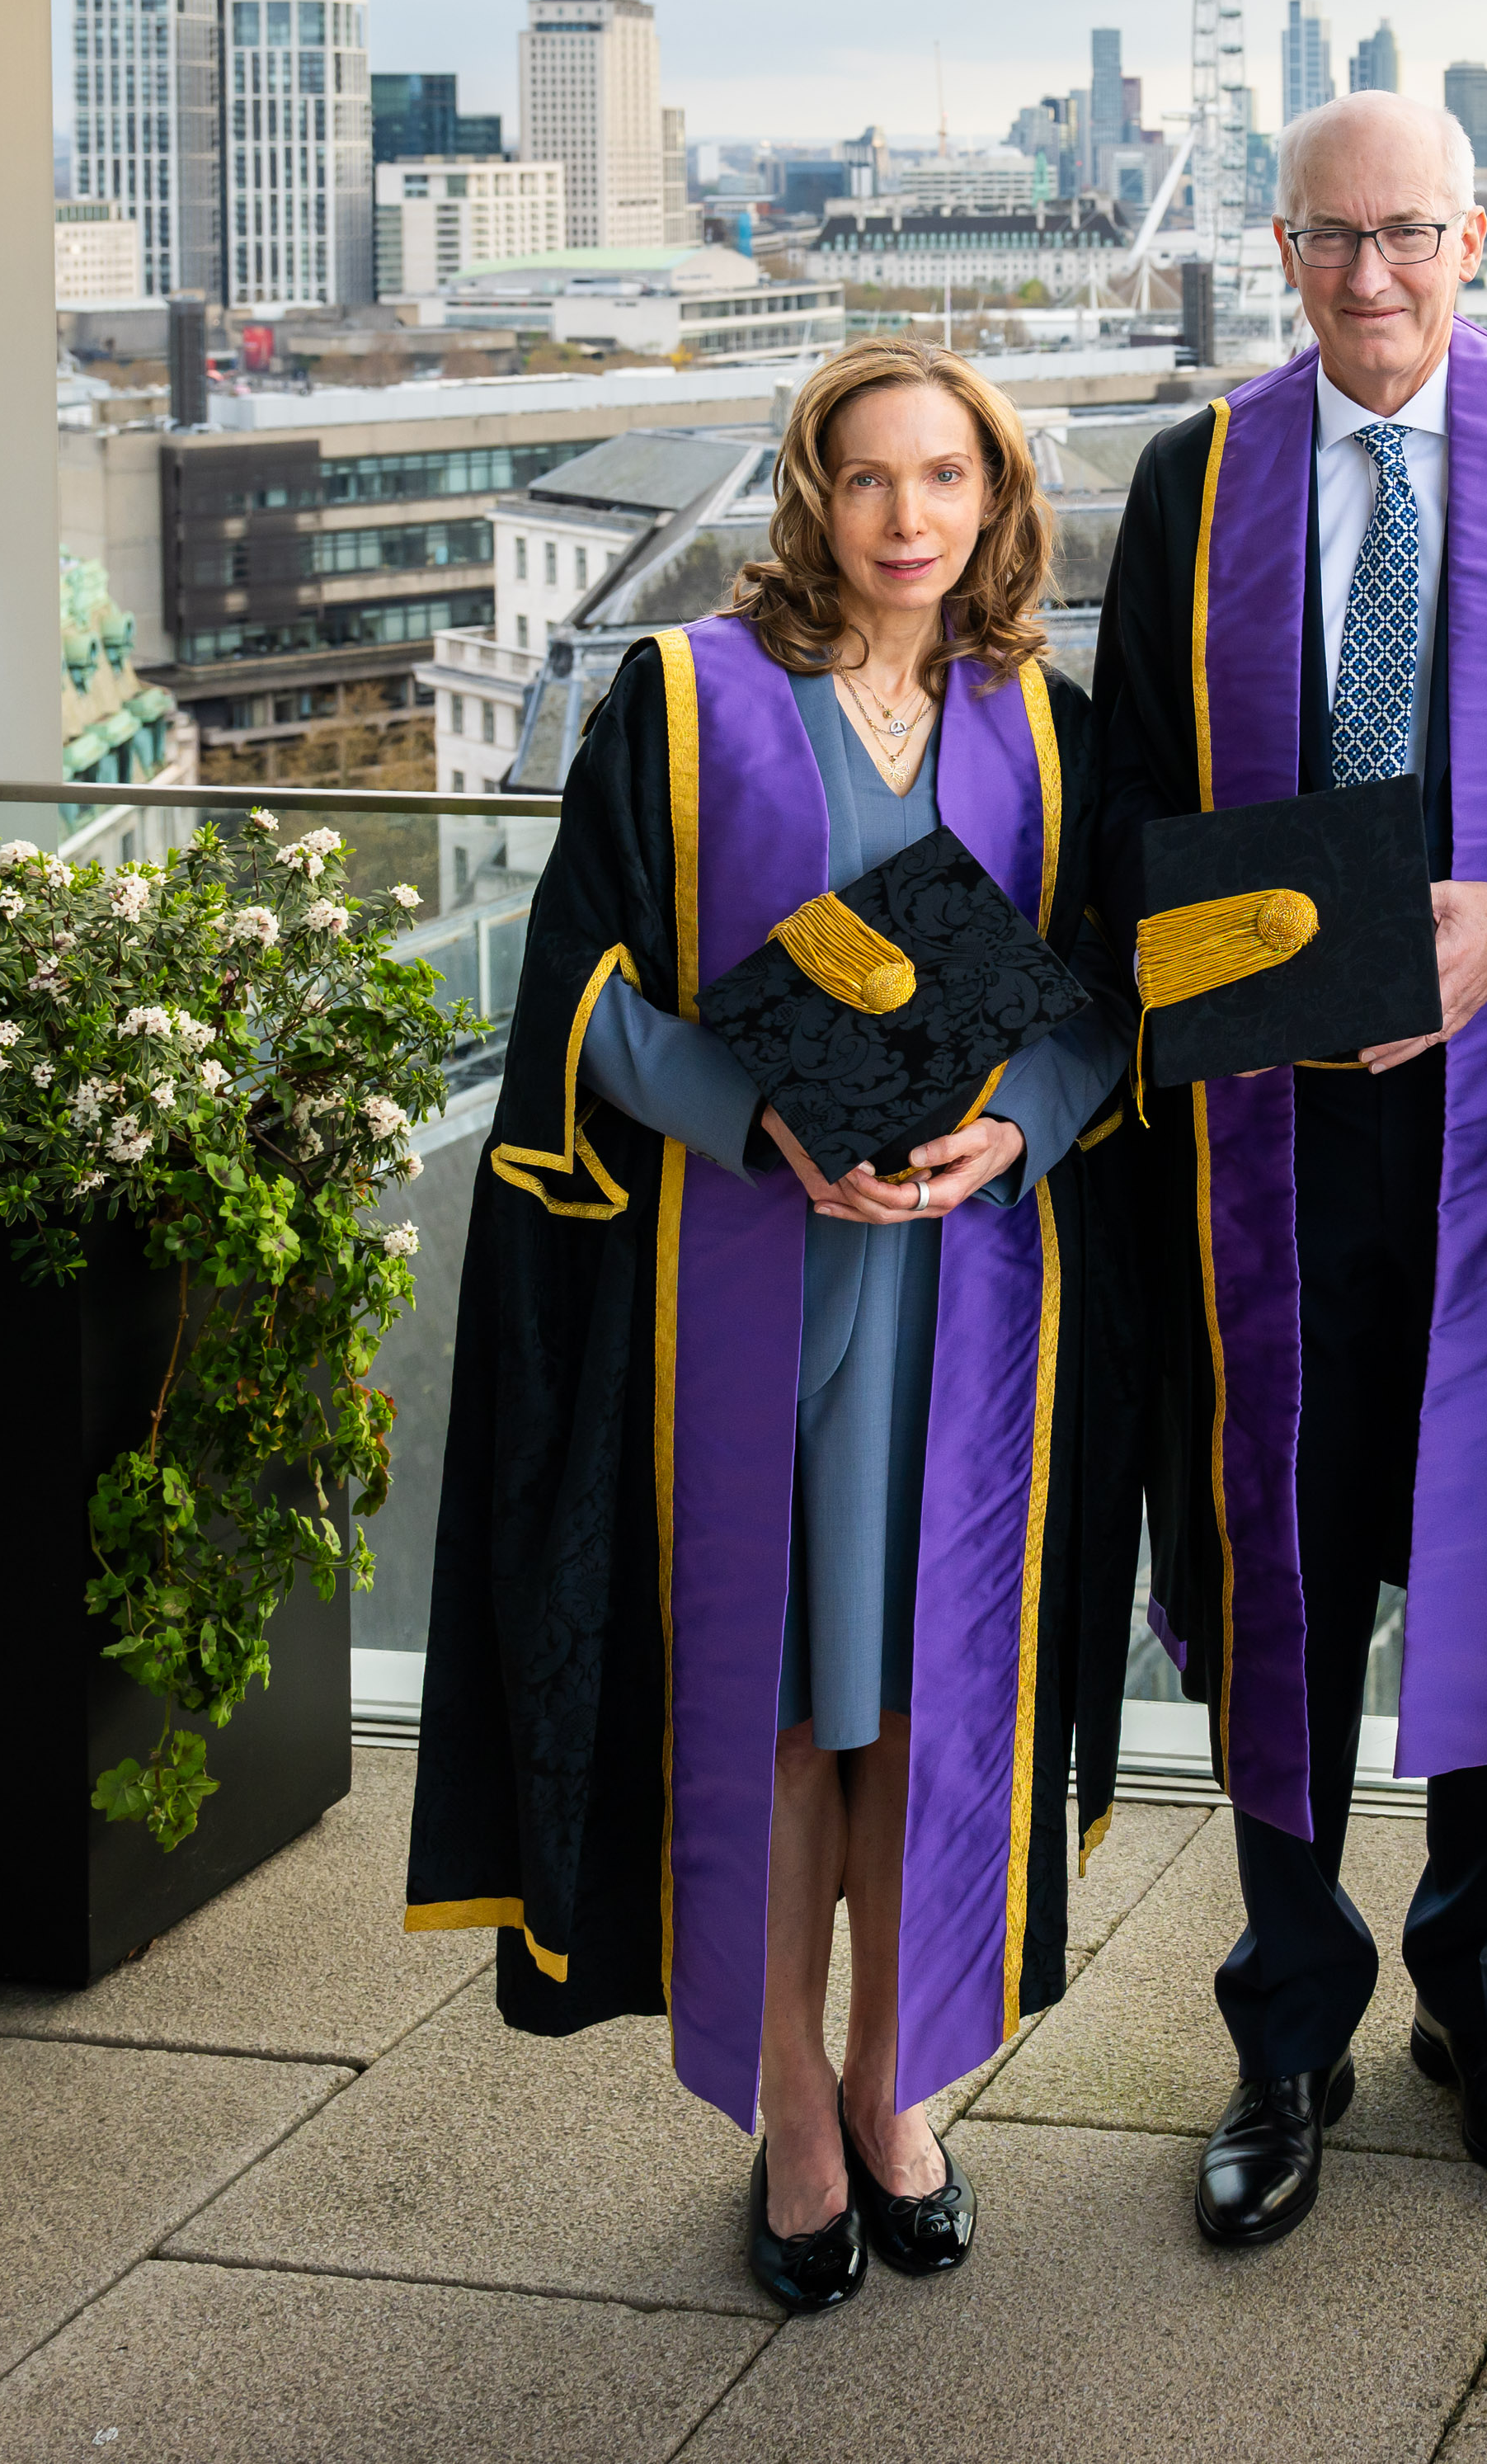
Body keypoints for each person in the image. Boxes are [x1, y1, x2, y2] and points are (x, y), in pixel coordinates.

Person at [404, 337, 1136, 2316]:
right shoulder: (681, 699)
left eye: (947, 480)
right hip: (752, 1286)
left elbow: (1095, 1007)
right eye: (870, 479)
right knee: (792, 1703)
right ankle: (791, 2101)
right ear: (810, 497)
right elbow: (585, 992)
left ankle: (904, 2079)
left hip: (972, 1292)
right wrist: (765, 1118)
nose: (910, 518)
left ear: (997, 504)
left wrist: (1016, 1125)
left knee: (927, 1696)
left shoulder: (1044, 728)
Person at [1092, 89, 1487, 2246]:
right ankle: (1284, 2025)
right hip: (1265, 1139)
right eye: (1333, 238)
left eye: (1411, 236)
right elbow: (1133, 821)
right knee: (1280, 1562)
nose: (1372, 279)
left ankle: (1482, 1987)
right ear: (1279, 246)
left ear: (1475, 243)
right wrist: (1244, 963)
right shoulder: (1196, 480)